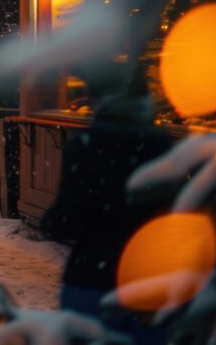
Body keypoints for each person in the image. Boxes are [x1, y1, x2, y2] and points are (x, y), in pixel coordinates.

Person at [41, 67, 172, 345]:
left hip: (92, 277)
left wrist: (53, 221)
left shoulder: (86, 148)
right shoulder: (161, 148)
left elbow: (65, 220)